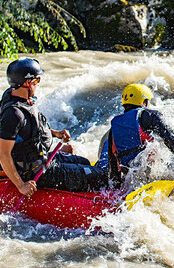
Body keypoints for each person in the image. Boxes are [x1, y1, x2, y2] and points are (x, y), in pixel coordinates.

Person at [0, 58, 109, 197]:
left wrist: (55, 134)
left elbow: (29, 130)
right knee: (100, 177)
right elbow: (3, 154)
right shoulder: (13, 114)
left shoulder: (21, 99)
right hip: (38, 172)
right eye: (36, 81)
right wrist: (21, 185)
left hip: (43, 158)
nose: (38, 84)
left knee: (85, 162)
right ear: (27, 83)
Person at [102, 83, 174, 186]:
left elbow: (113, 162)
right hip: (146, 174)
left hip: (129, 177)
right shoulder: (148, 115)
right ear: (144, 101)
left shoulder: (114, 126)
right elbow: (170, 139)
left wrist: (116, 188)